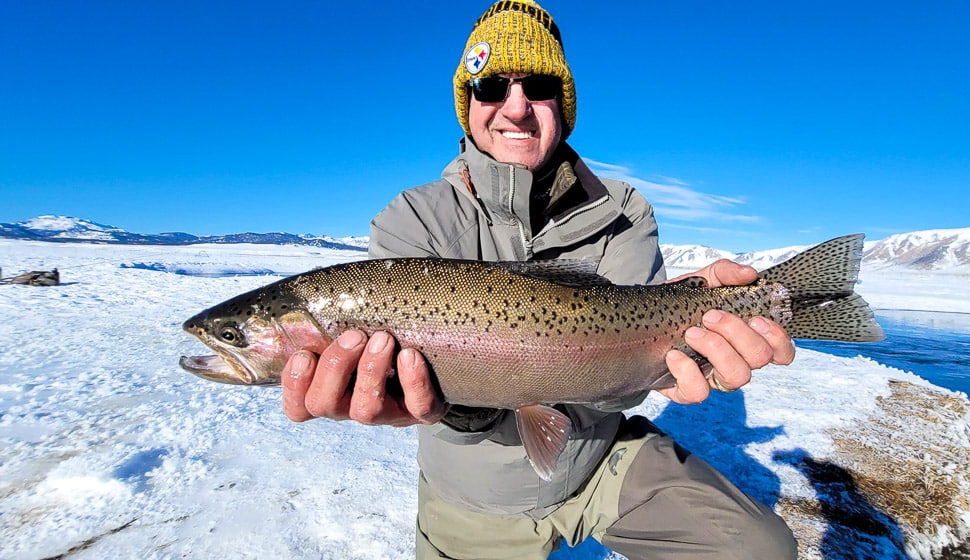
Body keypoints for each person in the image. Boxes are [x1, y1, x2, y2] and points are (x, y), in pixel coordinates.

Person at [281, 2, 798, 558]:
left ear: (563, 102)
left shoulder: (624, 210)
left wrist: (696, 328)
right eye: (490, 87)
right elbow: (423, 387)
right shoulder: (411, 220)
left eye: (540, 85)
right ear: (468, 103)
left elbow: (637, 343)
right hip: (475, 494)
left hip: (599, 460)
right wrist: (435, 404)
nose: (516, 107)